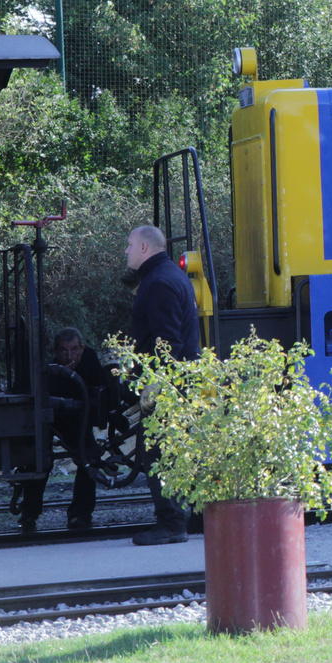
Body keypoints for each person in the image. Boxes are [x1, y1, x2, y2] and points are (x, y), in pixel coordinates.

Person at [125, 224, 201, 545]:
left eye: (129, 245)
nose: (126, 251)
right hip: (181, 380)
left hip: (170, 384)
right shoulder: (169, 275)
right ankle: (196, 517)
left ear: (145, 248)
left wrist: (154, 387)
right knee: (178, 451)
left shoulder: (157, 284)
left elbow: (167, 342)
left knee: (156, 452)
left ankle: (172, 524)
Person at [10, 327, 110, 532]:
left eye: (74, 349)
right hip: (51, 420)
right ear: (56, 351)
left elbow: (101, 389)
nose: (69, 355)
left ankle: (80, 516)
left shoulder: (90, 359)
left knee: (89, 460)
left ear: (82, 348)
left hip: (78, 421)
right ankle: (29, 513)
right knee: (40, 462)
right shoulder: (49, 369)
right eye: (64, 351)